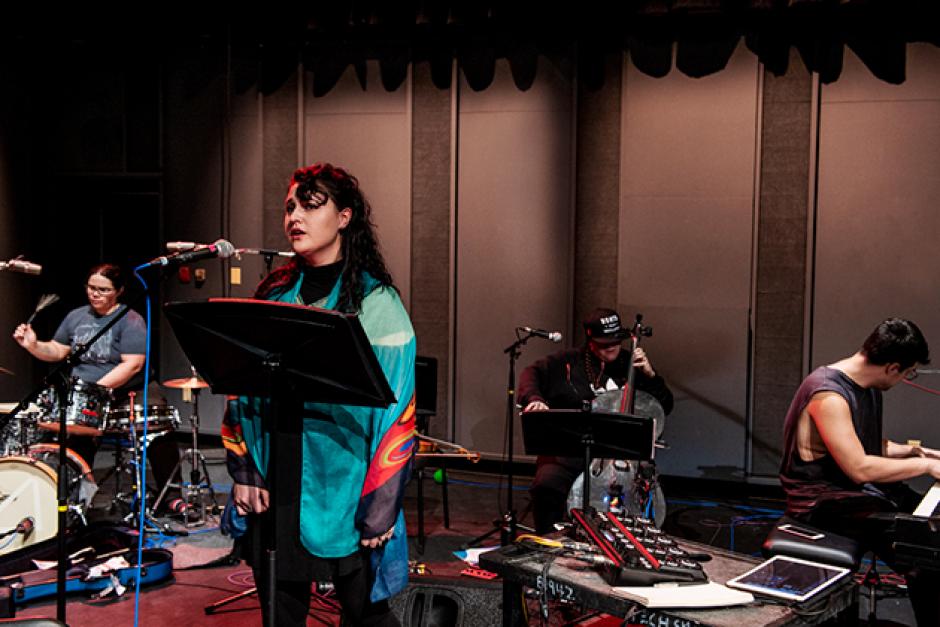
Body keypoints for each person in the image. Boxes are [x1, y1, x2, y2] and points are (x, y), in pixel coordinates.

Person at [222, 163, 415, 626]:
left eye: (310, 206)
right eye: (290, 207)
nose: (295, 217)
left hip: (345, 485)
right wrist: (244, 469)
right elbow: (239, 390)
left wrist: (380, 505)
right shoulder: (274, 293)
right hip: (277, 477)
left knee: (366, 615)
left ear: (345, 217)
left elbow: (399, 414)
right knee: (280, 611)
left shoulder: (377, 304)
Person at [779, 318, 940, 626]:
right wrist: (928, 466)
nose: (907, 378)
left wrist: (921, 452)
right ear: (893, 367)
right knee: (924, 553)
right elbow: (859, 467)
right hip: (822, 504)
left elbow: (865, 445)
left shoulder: (866, 387)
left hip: (855, 495)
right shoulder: (829, 395)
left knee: (930, 526)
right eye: (909, 373)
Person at [12, 263, 184, 513]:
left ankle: (172, 495)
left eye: (103, 290)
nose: (95, 294)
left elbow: (133, 365)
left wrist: (93, 391)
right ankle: (74, 498)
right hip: (85, 392)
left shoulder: (131, 320)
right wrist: (33, 345)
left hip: (127, 391)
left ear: (119, 291)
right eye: (91, 288)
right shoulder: (76, 316)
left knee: (158, 430)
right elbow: (58, 351)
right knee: (73, 438)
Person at [518, 308, 674, 533]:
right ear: (590, 340)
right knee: (546, 485)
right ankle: (548, 540)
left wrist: (651, 376)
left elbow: (665, 405)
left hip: (617, 455)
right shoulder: (567, 361)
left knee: (640, 493)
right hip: (570, 452)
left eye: (616, 341)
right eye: (603, 343)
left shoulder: (633, 365)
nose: (611, 347)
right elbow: (530, 375)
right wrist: (534, 399)